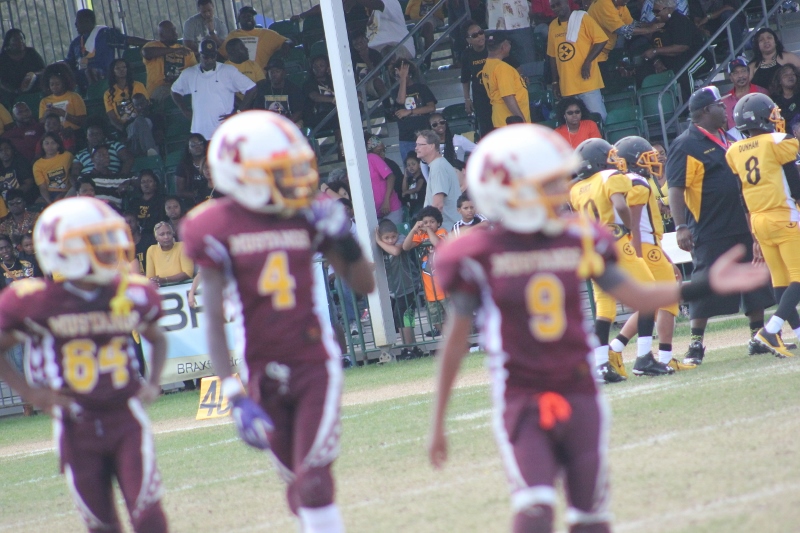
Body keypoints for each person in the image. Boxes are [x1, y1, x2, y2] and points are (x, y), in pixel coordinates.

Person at [427, 123, 770, 533]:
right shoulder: (477, 253)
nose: (562, 189)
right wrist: (438, 420)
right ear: (509, 189)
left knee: (591, 517)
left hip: (580, 391)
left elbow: (639, 295)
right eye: (549, 182)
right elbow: (454, 342)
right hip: (522, 395)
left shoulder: (577, 238)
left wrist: (706, 283)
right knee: (535, 510)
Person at [181, 111, 375, 532]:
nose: (293, 178)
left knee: (314, 482)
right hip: (260, 368)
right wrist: (232, 391)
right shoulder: (214, 225)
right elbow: (212, 317)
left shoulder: (306, 212)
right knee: (295, 485)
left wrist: (345, 241)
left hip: (313, 361)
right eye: (279, 169)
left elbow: (365, 284)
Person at [0, 198, 169, 532]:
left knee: (150, 517)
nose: (109, 247)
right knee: (101, 524)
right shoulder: (35, 301)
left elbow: (157, 337)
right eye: (96, 240)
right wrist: (32, 394)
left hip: (126, 416)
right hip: (75, 423)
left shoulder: (129, 291)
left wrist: (153, 382)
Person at [667, 86, 776, 364]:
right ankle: (695, 344)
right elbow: (676, 188)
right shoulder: (686, 143)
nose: (724, 109)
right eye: (719, 105)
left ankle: (757, 336)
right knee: (705, 281)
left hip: (742, 220)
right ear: (706, 110)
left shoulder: (729, 137)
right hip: (709, 225)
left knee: (753, 278)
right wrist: (680, 226)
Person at [570, 137, 671, 381]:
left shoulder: (575, 189)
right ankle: (644, 357)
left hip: (591, 248)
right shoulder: (609, 177)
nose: (614, 160)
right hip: (615, 241)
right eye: (609, 157)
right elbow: (620, 205)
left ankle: (601, 365)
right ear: (598, 161)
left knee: (604, 308)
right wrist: (628, 226)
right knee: (649, 295)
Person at [605, 136, 692, 372]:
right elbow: (634, 226)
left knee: (654, 302)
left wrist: (663, 256)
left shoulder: (623, 182)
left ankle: (616, 348)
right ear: (633, 160)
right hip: (644, 247)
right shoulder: (637, 183)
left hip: (647, 246)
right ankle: (663, 357)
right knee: (667, 300)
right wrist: (640, 258)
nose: (653, 161)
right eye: (647, 158)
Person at [726, 93, 800, 358]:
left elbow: (741, 195)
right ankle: (771, 330)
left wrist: (754, 234)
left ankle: (793, 333)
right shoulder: (779, 141)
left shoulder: (734, 150)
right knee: (798, 277)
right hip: (783, 215)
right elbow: (795, 184)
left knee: (780, 279)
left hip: (758, 219)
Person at [171, 39, 257, 140]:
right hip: (199, 132)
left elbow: (251, 88)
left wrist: (238, 112)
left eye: (213, 56)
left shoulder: (228, 71)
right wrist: (184, 110)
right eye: (206, 56)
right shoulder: (189, 73)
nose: (210, 59)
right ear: (199, 55)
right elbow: (175, 90)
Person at [641, 0, 715, 102]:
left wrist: (655, 51)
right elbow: (653, 44)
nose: (655, 14)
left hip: (698, 56)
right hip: (675, 61)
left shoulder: (680, 21)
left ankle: (692, 105)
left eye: (657, 11)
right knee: (644, 71)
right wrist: (657, 61)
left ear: (669, 9)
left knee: (683, 71)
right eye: (654, 11)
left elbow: (681, 47)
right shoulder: (657, 24)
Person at [547, 0, 609, 120]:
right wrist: (555, 82)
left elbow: (601, 40)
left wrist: (587, 62)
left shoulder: (583, 18)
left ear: (566, 2)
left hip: (587, 83)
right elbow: (553, 56)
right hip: (567, 86)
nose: (556, 8)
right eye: (553, 6)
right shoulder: (553, 26)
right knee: (574, 123)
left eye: (558, 4)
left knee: (598, 118)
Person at [375, 219, 422, 359]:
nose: (391, 240)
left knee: (404, 318)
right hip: (394, 289)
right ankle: (412, 347)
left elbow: (395, 251)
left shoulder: (401, 238)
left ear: (397, 234)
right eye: (386, 238)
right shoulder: (382, 244)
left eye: (393, 236)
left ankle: (410, 349)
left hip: (408, 286)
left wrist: (378, 241)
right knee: (401, 319)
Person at [65, 9, 148, 87]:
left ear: (87, 21)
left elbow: (127, 40)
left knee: (89, 72)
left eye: (78, 22)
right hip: (81, 75)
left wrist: (151, 43)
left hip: (104, 74)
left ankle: (95, 93)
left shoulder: (105, 34)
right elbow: (69, 62)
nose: (75, 25)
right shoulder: (76, 43)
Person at [587, 0, 663, 79]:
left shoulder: (620, 4)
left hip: (605, 51)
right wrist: (649, 30)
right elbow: (622, 30)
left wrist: (652, 25)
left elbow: (632, 24)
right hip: (592, 52)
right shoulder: (604, 4)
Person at [402, 205, 448, 337]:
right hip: (430, 290)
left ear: (438, 223)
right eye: (425, 222)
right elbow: (405, 246)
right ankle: (449, 339)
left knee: (453, 317)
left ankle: (460, 342)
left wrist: (427, 230)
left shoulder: (442, 232)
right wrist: (414, 229)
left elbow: (438, 243)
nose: (429, 225)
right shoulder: (421, 235)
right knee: (436, 320)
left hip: (446, 290)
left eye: (432, 222)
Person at [481, 31, 530, 128]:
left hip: (500, 120)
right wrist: (522, 121)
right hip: (511, 124)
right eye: (508, 43)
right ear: (503, 46)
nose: (510, 46)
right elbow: (508, 97)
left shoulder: (488, 65)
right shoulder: (502, 68)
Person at [141, 21, 197, 102]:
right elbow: (146, 53)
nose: (175, 33)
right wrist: (174, 50)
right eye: (171, 31)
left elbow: (193, 72)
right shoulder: (152, 46)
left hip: (180, 87)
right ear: (161, 35)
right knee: (164, 91)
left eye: (175, 30)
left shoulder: (186, 51)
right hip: (158, 91)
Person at [416, 129, 460, 230]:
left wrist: (429, 230)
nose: (416, 148)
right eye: (416, 145)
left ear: (432, 146)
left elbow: (437, 204)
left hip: (447, 231)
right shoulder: (438, 164)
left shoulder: (438, 167)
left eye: (420, 145)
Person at [393, 59, 437, 161]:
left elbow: (431, 107)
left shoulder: (422, 88)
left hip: (425, 136)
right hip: (406, 138)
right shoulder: (395, 91)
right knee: (410, 168)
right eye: (397, 75)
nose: (399, 77)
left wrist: (410, 111)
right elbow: (401, 100)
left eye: (402, 74)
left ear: (410, 73)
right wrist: (403, 79)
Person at [221, 6, 289, 70]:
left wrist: (286, 44)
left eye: (250, 16)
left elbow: (288, 40)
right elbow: (222, 53)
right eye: (244, 17)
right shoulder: (233, 35)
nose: (248, 18)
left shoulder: (266, 33)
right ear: (239, 20)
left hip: (260, 75)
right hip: (239, 74)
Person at [460, 23, 494, 138]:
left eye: (481, 33)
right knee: (486, 129)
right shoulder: (466, 55)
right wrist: (467, 99)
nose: (480, 37)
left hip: (498, 93)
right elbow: (465, 79)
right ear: (468, 40)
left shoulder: (493, 47)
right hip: (481, 97)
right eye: (475, 35)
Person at [724, 56, 768, 138]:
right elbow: (724, 129)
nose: (740, 75)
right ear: (730, 78)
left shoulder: (762, 93)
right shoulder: (725, 100)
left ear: (749, 73)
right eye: (735, 73)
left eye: (743, 71)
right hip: (736, 142)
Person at [255, 57, 306, 125]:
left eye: (277, 71)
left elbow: (298, 112)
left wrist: (284, 125)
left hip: (290, 123)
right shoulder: (263, 89)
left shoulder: (293, 89)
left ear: (284, 72)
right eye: (271, 72)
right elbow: (258, 111)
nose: (274, 74)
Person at [104, 58, 149, 135]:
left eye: (124, 67)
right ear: (113, 71)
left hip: (141, 120)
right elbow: (112, 117)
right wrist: (123, 130)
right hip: (124, 127)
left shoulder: (138, 85)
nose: (122, 70)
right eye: (118, 68)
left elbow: (146, 106)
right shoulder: (108, 94)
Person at [366, 135, 403, 224]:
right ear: (371, 151)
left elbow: (391, 177)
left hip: (390, 207)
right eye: (379, 151)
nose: (382, 154)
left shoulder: (388, 162)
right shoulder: (367, 159)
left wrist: (386, 201)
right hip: (374, 212)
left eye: (384, 150)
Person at [38, 64, 87, 131]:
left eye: (57, 84)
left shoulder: (74, 97)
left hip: (74, 132)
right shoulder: (44, 101)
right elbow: (41, 123)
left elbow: (82, 121)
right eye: (52, 84)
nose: (54, 87)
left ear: (64, 83)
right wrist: (46, 115)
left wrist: (64, 114)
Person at [0, 29, 45, 100]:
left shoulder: (31, 52)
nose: (20, 41)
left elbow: (43, 70)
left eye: (21, 38)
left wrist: (33, 75)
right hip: (12, 94)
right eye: (15, 39)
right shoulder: (3, 58)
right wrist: (15, 91)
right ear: (8, 42)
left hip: (35, 90)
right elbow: (2, 82)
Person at [146, 221, 193, 287]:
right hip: (162, 290)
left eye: (169, 233)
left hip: (183, 287)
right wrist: (154, 281)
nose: (166, 237)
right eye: (162, 234)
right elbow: (150, 277)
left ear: (173, 234)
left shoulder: (182, 246)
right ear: (156, 238)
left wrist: (165, 280)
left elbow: (188, 273)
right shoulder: (151, 250)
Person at [85, 144, 132, 209]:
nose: (107, 156)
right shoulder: (86, 178)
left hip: (114, 213)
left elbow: (140, 180)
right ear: (92, 159)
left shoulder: (117, 177)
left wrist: (128, 182)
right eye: (102, 155)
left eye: (107, 154)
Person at [32, 133, 73, 204]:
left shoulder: (67, 156)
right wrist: (49, 202)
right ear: (42, 146)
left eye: (53, 143)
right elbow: (42, 187)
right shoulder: (37, 165)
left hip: (66, 191)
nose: (50, 146)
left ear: (58, 144)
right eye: (46, 143)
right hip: (49, 192)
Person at [303, 55, 339, 131]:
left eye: (321, 66)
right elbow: (314, 97)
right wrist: (333, 100)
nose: (318, 68)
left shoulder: (334, 80)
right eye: (315, 66)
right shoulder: (309, 83)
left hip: (335, 112)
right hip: (318, 116)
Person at [405, 0, 445, 67]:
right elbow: (407, 12)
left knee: (428, 26)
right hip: (415, 20)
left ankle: (427, 59)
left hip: (432, 18)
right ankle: (408, 62)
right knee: (406, 28)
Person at [350, 31, 388, 99]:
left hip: (371, 83)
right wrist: (357, 89)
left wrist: (366, 59)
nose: (359, 46)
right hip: (359, 84)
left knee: (378, 83)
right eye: (356, 45)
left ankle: (387, 104)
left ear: (366, 40)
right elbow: (353, 74)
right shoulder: (353, 57)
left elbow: (376, 75)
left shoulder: (375, 54)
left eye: (361, 42)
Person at [175, 134, 210, 207]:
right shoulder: (183, 166)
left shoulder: (212, 161)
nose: (197, 146)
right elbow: (179, 191)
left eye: (200, 143)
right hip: (192, 202)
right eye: (193, 145)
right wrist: (197, 195)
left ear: (204, 146)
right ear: (188, 149)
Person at [0, 139, 37, 205]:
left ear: (12, 149)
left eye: (7, 149)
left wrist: (14, 196)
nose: (4, 152)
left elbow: (29, 183)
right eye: (1, 150)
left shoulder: (21, 162)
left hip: (23, 200)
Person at [132, 170, 165, 237]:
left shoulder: (162, 200)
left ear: (155, 183)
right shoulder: (134, 202)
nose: (146, 184)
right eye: (143, 182)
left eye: (149, 181)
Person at [124, 210, 156, 275]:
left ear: (137, 222)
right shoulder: (122, 246)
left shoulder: (149, 240)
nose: (128, 225)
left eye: (131, 222)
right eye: (125, 223)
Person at [769, 64, 800, 129]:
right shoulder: (774, 100)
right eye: (786, 75)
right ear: (779, 81)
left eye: (793, 74)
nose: (790, 76)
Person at [402, 152, 426, 218]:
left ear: (419, 165)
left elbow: (417, 188)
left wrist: (406, 192)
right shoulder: (410, 179)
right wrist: (405, 177)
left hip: (421, 205)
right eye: (408, 165)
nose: (411, 167)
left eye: (413, 164)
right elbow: (404, 190)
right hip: (413, 205)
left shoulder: (421, 177)